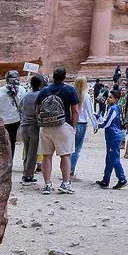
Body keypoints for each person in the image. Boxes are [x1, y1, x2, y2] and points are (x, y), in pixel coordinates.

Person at [35, 67, 79, 195]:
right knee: (65, 155)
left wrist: (41, 123)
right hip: (63, 125)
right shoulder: (70, 90)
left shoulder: (44, 91)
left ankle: (47, 185)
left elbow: (37, 110)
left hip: (46, 127)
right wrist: (73, 126)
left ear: (53, 77)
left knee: (46, 156)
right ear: (64, 77)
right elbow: (75, 110)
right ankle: (65, 183)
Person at [93, 89, 127, 189]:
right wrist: (99, 117)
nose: (108, 98)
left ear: (116, 99)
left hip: (113, 136)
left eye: (110, 97)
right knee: (109, 158)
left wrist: (99, 125)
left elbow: (108, 122)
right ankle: (106, 179)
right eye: (108, 96)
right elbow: (107, 120)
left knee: (114, 158)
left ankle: (122, 178)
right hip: (111, 136)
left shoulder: (114, 109)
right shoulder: (112, 108)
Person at [0, 70, 25, 165]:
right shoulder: (22, 90)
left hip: (3, 120)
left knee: (2, 142)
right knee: (12, 142)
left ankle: (1, 161)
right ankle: (9, 162)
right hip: (15, 120)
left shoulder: (1, 90)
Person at [17, 74, 44, 185]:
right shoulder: (40, 95)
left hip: (24, 126)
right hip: (34, 126)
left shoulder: (26, 95)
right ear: (40, 84)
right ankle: (28, 176)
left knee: (27, 150)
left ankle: (25, 173)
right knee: (33, 153)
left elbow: (19, 107)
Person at [70, 75, 95, 178]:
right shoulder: (86, 96)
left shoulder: (71, 94)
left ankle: (66, 170)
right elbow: (90, 111)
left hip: (70, 122)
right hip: (81, 123)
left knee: (69, 148)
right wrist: (95, 124)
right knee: (76, 149)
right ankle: (70, 171)